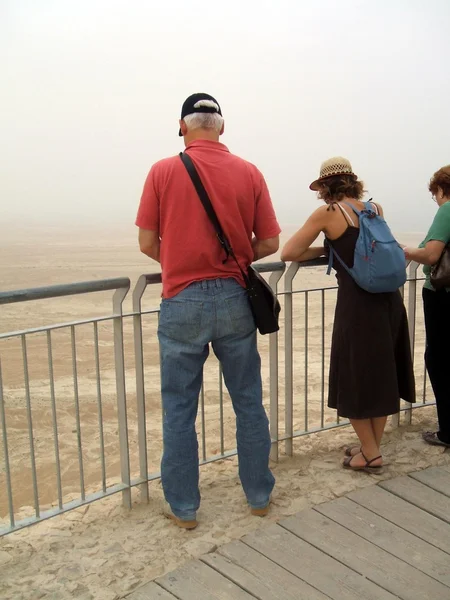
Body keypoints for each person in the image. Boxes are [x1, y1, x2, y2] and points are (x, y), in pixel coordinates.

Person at [136, 93, 280, 528]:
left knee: (179, 408)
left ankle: (184, 509)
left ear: (182, 126)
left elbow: (147, 243)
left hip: (181, 300)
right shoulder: (249, 171)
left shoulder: (162, 171)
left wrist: (183, 261)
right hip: (236, 298)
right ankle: (258, 496)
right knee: (248, 402)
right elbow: (270, 243)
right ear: (222, 125)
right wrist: (233, 259)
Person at [281, 157, 416, 473]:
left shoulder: (328, 213)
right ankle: (371, 446)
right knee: (381, 375)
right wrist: (336, 248)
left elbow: (289, 253)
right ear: (354, 182)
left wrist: (327, 249)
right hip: (389, 303)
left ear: (325, 187)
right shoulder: (374, 209)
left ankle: (370, 455)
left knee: (353, 377)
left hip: (357, 306)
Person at [403, 165, 450, 448]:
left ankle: (447, 432)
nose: (437, 200)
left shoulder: (447, 210)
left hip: (443, 295)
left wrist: (404, 251)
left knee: (439, 360)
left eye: (436, 195)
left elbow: (431, 255)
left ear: (441, 188)